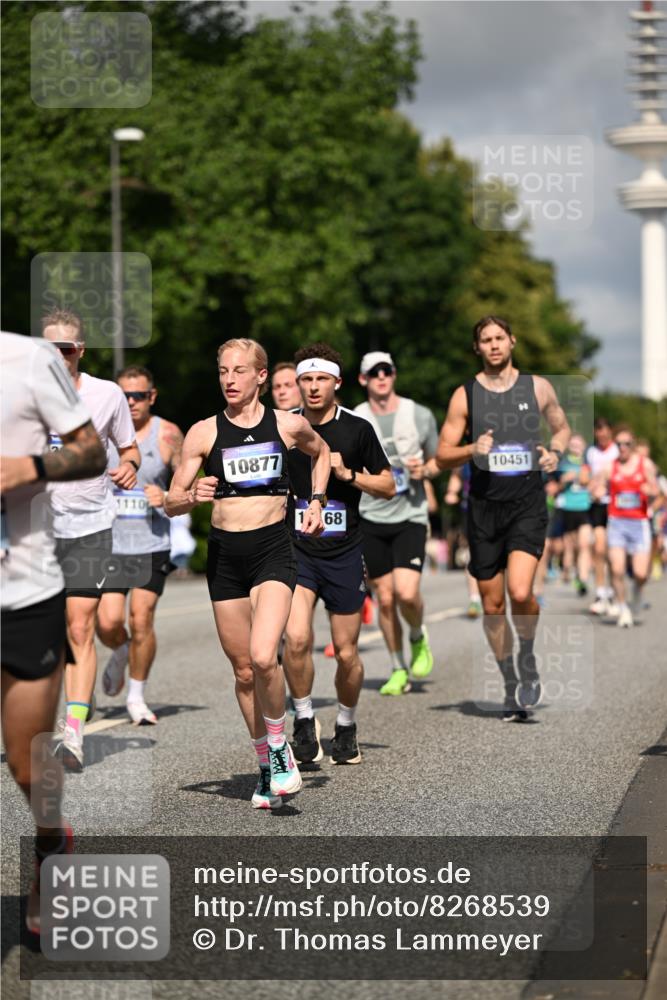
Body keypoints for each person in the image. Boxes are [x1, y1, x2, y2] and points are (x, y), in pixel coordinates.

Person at [165, 338, 330, 808]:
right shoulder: (203, 432)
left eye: (239, 371)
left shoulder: (287, 424)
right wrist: (192, 494)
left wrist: (315, 501)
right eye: (222, 371)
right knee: (242, 672)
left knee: (263, 657)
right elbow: (171, 501)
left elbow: (321, 455)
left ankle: (280, 749)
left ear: (261, 376)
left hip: (273, 550)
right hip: (225, 557)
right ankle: (265, 764)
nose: (230, 380)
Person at [1, 330, 106, 933]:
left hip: (20, 589)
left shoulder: (29, 358)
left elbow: (90, 453)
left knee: (25, 764)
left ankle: (50, 845)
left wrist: (31, 465)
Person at [435, 316, 570, 721]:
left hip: (527, 503)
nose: (494, 345)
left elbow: (560, 429)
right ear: (477, 347)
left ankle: (527, 656)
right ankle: (511, 681)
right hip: (483, 508)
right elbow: (443, 454)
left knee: (520, 590)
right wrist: (472, 448)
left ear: (512, 340)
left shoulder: (538, 387)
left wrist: (555, 453)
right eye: (485, 340)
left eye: (499, 338)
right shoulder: (465, 395)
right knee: (493, 605)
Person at [282, 344, 394, 766]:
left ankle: (346, 724)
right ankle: (304, 720)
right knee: (295, 639)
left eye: (320, 380)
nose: (312, 387)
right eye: (306, 379)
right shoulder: (287, 426)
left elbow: (388, 485)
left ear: (337, 384)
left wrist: (349, 475)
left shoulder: (358, 429)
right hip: (297, 550)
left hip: (345, 552)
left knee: (346, 652)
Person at [42, 310, 140, 770]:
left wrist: (131, 466)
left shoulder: (107, 395)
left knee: (79, 626)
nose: (56, 356)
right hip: (34, 529)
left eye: (64, 348)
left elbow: (131, 448)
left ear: (80, 351)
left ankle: (74, 732)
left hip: (90, 527)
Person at [96, 366, 184, 724]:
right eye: (125, 396)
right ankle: (121, 650)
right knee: (108, 621)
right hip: (111, 543)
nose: (131, 402)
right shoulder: (101, 429)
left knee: (141, 617)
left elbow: (187, 486)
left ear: (152, 396)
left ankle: (136, 697)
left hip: (151, 542)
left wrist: (164, 495)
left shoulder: (168, 435)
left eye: (138, 396)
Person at [355, 352, 440, 695]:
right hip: (369, 517)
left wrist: (427, 470)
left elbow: (438, 460)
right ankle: (397, 666)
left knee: (406, 593)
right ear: (362, 380)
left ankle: (418, 636)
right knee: (385, 599)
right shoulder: (354, 418)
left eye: (386, 371)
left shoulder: (419, 415)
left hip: (410, 515)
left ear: (394, 375)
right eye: (373, 373)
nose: (380, 377)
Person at [592, 427, 657, 627]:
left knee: (640, 573)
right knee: (617, 569)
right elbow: (595, 487)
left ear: (633, 445)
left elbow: (657, 490)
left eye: (626, 444)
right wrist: (597, 491)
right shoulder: (609, 467)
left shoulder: (645, 465)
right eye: (618, 444)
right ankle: (623, 608)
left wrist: (650, 491)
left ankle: (637, 590)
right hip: (617, 522)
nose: (622, 448)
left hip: (639, 524)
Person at [552, 434, 592, 596]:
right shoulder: (564, 462)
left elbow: (590, 480)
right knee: (569, 546)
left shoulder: (588, 463)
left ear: (583, 446)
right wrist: (563, 480)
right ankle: (568, 571)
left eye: (579, 444)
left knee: (584, 544)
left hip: (585, 507)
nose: (576, 447)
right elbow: (557, 484)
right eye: (573, 444)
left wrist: (580, 477)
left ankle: (582, 578)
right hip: (568, 508)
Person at [586, 418, 619, 615]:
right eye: (599, 432)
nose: (602, 436)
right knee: (599, 548)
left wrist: (604, 482)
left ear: (611, 432)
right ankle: (600, 593)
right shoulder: (590, 452)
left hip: (615, 505)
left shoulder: (618, 450)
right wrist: (590, 484)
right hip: (597, 505)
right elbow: (584, 475)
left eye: (605, 432)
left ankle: (615, 593)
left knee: (614, 552)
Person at [444, 464, 482, 617]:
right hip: (470, 511)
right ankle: (474, 598)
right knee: (472, 554)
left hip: (495, 511)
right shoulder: (467, 453)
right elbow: (456, 474)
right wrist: (452, 492)